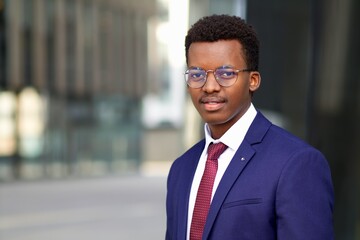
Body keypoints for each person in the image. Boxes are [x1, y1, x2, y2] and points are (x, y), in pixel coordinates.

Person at [165, 14, 334, 240]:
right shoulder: (181, 168)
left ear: (253, 80)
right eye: (197, 74)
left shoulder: (296, 164)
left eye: (225, 74)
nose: (209, 86)